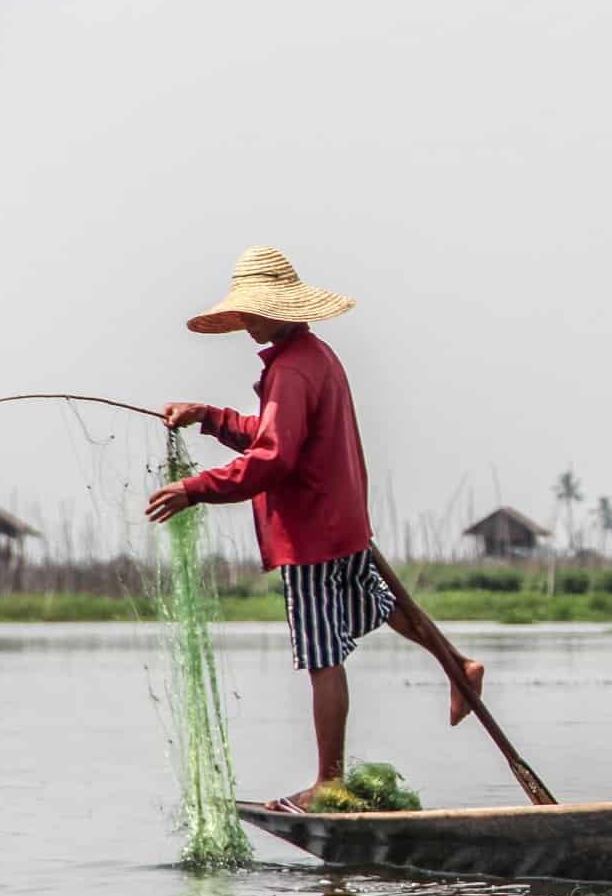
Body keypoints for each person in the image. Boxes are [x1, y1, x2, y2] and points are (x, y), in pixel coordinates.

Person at [145, 245, 481, 810]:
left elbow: (275, 457)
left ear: (281, 308)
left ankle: (328, 782)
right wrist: (210, 416)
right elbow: (277, 435)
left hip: (309, 535)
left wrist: (195, 489)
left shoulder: (292, 370)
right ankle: (458, 664)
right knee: (379, 604)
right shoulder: (312, 357)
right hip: (341, 518)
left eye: (254, 311)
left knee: (323, 656)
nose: (247, 322)